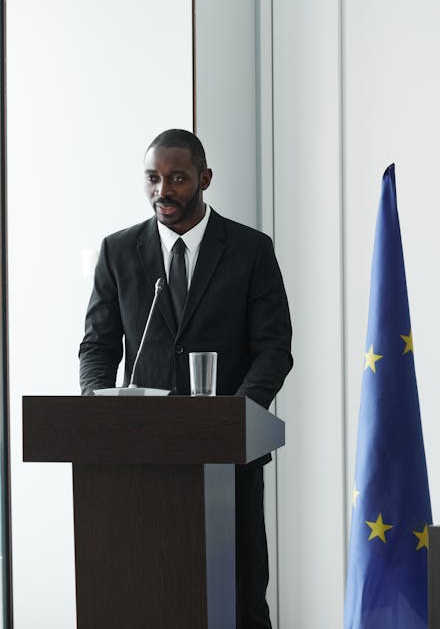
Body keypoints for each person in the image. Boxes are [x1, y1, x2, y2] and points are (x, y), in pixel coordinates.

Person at [79, 129, 293, 627]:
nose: (163, 191)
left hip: (229, 465)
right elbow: (98, 345)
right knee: (145, 595)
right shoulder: (118, 251)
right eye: (153, 179)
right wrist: (97, 407)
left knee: (238, 600)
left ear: (204, 179)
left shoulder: (249, 250)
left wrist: (231, 420)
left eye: (177, 178)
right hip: (139, 461)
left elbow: (274, 349)